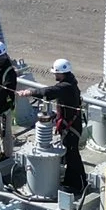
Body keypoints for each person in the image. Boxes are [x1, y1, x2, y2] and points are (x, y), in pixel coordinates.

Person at [39, 56, 86, 196]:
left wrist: (30, 92)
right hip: (70, 126)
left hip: (71, 128)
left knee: (72, 156)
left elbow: (49, 92)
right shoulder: (70, 83)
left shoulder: (66, 86)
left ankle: (79, 185)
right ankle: (70, 181)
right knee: (70, 155)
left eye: (56, 73)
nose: (54, 75)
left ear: (61, 73)